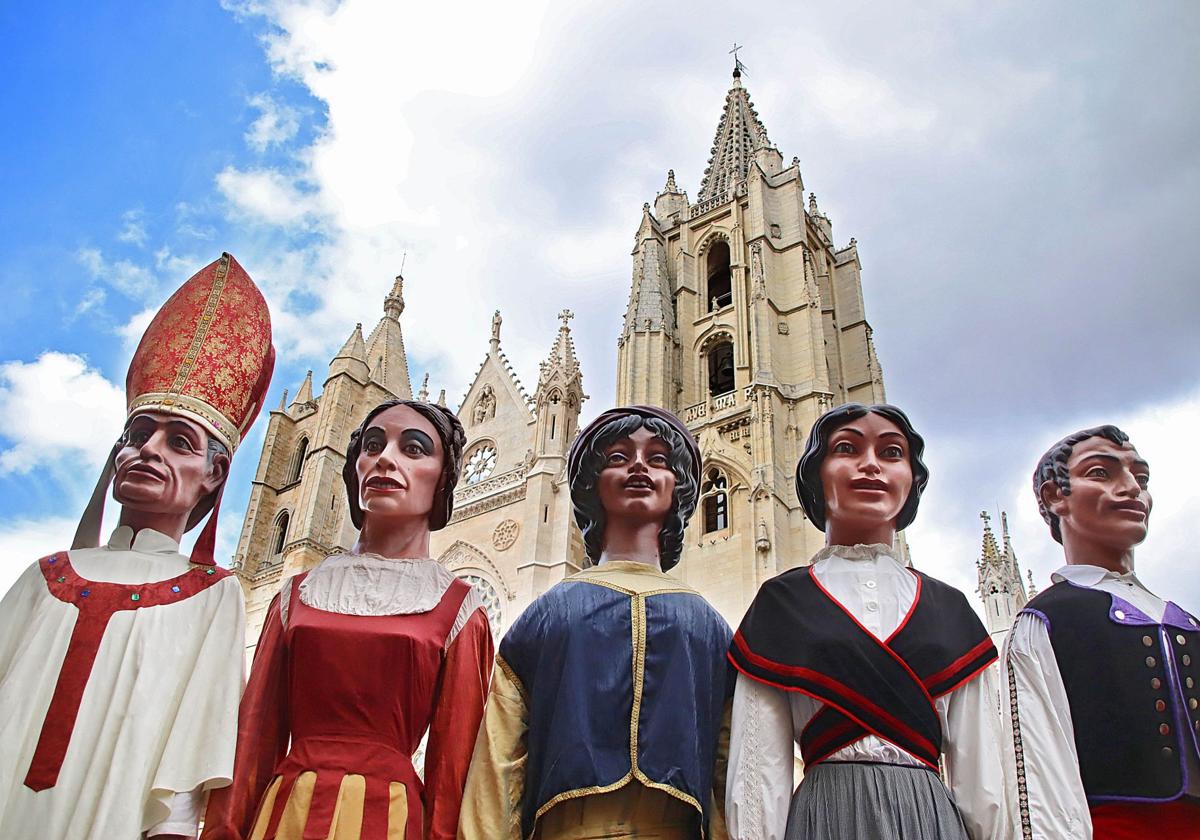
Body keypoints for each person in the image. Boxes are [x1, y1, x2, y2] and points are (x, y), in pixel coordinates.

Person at [0, 253, 275, 839]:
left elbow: (187, 763)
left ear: (214, 475)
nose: (149, 450)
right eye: (137, 433)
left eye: (179, 441)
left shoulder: (212, 595)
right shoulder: (44, 574)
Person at [202, 398, 492, 840]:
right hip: (284, 816)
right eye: (372, 445)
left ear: (443, 479)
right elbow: (251, 743)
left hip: (390, 821)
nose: (385, 460)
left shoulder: (460, 609)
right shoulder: (296, 594)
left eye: (413, 448)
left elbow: (455, 768)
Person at [726, 403, 1006, 840]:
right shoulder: (781, 603)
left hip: (930, 819)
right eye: (847, 448)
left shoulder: (949, 608)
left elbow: (983, 774)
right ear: (816, 474)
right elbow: (758, 768)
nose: (871, 464)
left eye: (892, 452)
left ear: (911, 479)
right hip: (825, 817)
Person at [459, 405, 733, 840]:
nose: (639, 466)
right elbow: (499, 757)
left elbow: (731, 763)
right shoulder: (550, 614)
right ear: (591, 484)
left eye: (659, 459)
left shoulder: (708, 627)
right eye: (619, 457)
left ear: (678, 487)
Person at [1003, 425, 1199, 839]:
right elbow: (1037, 771)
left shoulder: (1184, 621)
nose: (1131, 489)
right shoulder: (1047, 620)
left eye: (1141, 479)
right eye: (1101, 473)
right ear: (1055, 496)